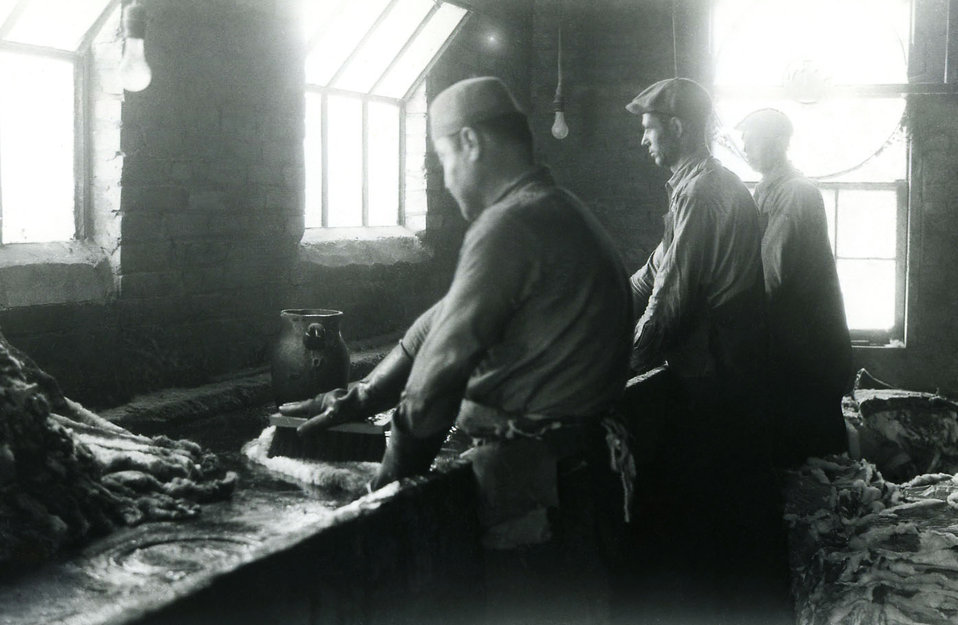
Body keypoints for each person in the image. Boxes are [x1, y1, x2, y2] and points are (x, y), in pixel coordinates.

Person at [282, 76, 634, 624]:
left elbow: (434, 386)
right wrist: (360, 395)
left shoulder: (510, 225)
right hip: (578, 477)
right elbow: (440, 320)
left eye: (444, 158)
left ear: (471, 142)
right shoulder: (553, 209)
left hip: (538, 487)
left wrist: (380, 497)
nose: (445, 181)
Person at [617, 78, 792, 624]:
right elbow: (653, 272)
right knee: (728, 505)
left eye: (649, 129)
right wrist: (597, 306)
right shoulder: (700, 185)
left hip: (721, 374)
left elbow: (672, 301)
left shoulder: (702, 193)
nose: (644, 141)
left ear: (676, 128)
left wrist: (618, 369)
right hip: (726, 368)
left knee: (717, 506)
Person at [738, 108, 853, 468]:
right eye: (743, 139)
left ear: (779, 142)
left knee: (817, 461)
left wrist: (737, 321)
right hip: (797, 343)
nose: (745, 147)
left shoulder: (793, 194)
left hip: (807, 348)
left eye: (752, 139)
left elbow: (772, 273)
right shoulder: (770, 190)